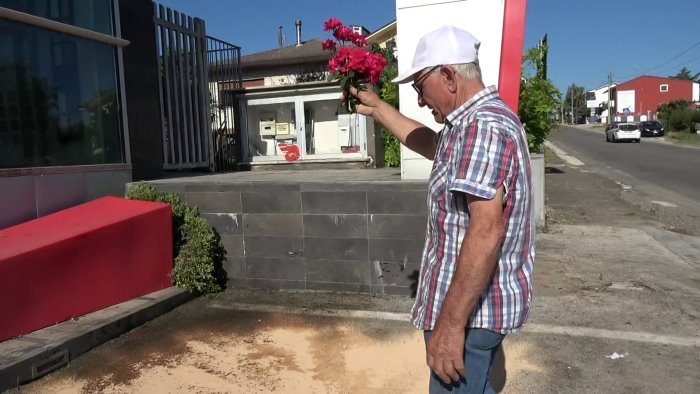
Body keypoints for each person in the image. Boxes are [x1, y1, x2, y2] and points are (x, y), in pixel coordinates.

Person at [345, 25, 535, 393]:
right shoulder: (473, 124)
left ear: (448, 75)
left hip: (468, 320)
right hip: (475, 317)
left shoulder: (482, 128)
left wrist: (450, 327)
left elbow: (486, 232)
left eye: (419, 86)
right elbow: (434, 145)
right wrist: (380, 109)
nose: (419, 99)